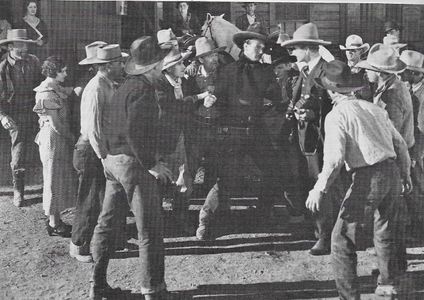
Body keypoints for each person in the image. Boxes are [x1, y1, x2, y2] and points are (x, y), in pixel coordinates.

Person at [306, 59, 411, 299]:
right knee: (385, 229)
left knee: (341, 240)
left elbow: (333, 160)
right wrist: (405, 174)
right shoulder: (374, 108)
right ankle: (387, 284)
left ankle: (349, 296)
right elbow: (401, 144)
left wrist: (318, 189)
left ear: (332, 91)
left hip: (367, 177)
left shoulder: (336, 115)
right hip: (392, 171)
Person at [89, 36, 173, 300]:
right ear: (152, 67)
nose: (162, 68)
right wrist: (152, 164)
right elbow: (134, 131)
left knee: (106, 223)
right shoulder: (142, 90)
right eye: (160, 64)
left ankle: (97, 284)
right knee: (149, 229)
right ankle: (153, 290)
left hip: (112, 163)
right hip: (131, 164)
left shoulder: (125, 86)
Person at [206, 23, 282, 233]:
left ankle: (263, 213)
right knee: (227, 176)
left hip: (258, 132)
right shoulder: (228, 71)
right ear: (246, 45)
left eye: (264, 48)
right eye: (258, 46)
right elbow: (219, 100)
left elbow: (275, 99)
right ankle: (211, 217)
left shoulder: (267, 71)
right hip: (233, 132)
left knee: (273, 170)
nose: (261, 51)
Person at [281, 23, 341, 256]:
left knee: (322, 184)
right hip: (304, 137)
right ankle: (318, 229)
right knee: (308, 182)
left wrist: (314, 114)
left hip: (321, 139)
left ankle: (326, 237)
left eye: (295, 48)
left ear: (307, 48)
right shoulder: (306, 71)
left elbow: (338, 104)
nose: (293, 53)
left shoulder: (327, 71)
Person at [69, 43, 128, 262]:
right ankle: (78, 244)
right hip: (91, 150)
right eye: (119, 62)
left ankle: (104, 241)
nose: (122, 65)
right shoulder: (95, 88)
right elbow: (93, 129)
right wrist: (103, 156)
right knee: (90, 199)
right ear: (108, 65)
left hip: (100, 148)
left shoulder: (108, 83)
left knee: (105, 198)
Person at [154, 49, 211, 235]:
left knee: (184, 180)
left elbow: (192, 106)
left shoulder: (186, 82)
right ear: (169, 68)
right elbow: (171, 108)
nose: (183, 66)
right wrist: (198, 98)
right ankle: (158, 221)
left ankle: (180, 218)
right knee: (160, 180)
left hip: (185, 138)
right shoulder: (159, 85)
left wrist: (206, 100)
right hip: (164, 141)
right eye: (179, 64)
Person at [182, 37, 229, 240]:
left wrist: (219, 104)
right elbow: (182, 104)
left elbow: (229, 99)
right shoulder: (190, 76)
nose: (215, 58)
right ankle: (181, 217)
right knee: (188, 174)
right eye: (210, 55)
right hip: (196, 130)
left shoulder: (224, 74)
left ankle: (207, 219)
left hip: (217, 131)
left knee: (216, 174)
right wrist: (201, 103)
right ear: (200, 59)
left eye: (216, 54)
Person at [33, 56, 76, 237]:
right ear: (54, 72)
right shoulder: (45, 93)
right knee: (52, 179)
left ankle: (55, 218)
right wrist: (72, 138)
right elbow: (56, 123)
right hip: (53, 136)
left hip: (57, 136)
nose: (66, 74)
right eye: (63, 71)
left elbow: (66, 91)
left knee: (58, 177)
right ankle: (53, 222)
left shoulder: (54, 87)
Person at [0, 29, 41, 207]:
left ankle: (51, 190)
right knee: (19, 153)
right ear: (10, 47)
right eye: (19, 45)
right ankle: (18, 191)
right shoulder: (2, 68)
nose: (24, 48)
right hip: (15, 114)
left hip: (35, 111)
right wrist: (2, 116)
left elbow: (41, 85)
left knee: (45, 149)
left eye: (25, 44)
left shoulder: (33, 61)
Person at [399, 50, 424, 235]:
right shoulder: (408, 89)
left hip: (419, 147)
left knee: (418, 185)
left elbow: (421, 127)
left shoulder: (422, 94)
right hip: (411, 144)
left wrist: (416, 153)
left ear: (416, 74)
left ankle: (419, 225)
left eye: (405, 72)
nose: (401, 75)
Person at [339, 34, 373, 101]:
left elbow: (369, 95)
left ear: (360, 51)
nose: (349, 52)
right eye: (347, 50)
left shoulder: (368, 70)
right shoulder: (341, 69)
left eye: (353, 50)